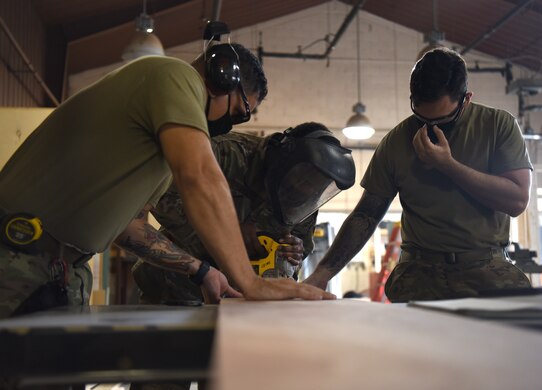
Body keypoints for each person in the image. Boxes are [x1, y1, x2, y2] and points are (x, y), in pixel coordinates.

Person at [0, 41, 334, 319]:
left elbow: (129, 227)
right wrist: (249, 281)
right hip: (18, 257)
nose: (233, 124)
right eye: (239, 112)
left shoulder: (153, 156)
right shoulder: (175, 76)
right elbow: (201, 176)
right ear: (221, 78)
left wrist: (202, 271)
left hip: (56, 268)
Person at [304, 47, 533, 302]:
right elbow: (366, 214)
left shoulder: (497, 126)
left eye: (444, 120)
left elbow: (517, 201)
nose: (430, 127)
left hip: (486, 269)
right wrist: (322, 273)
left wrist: (449, 166)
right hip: (420, 274)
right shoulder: (396, 141)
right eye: (421, 117)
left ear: (466, 99)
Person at [131, 122, 356, 305]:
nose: (305, 189)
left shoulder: (306, 195)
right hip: (175, 292)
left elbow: (302, 244)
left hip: (248, 304)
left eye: (313, 186)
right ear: (286, 163)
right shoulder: (225, 153)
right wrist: (227, 235)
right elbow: (163, 200)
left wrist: (293, 252)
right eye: (303, 181)